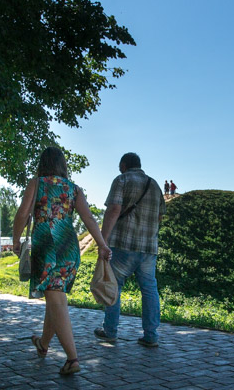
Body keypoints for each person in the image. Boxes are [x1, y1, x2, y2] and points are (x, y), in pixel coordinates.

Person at [13, 147, 111, 376]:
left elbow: (22, 214)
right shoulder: (73, 189)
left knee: (56, 299)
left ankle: (72, 358)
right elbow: (89, 218)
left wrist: (16, 240)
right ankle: (43, 344)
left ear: (43, 163)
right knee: (54, 296)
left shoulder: (36, 183)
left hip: (47, 245)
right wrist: (102, 244)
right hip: (69, 247)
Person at [95, 152, 166, 347]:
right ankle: (151, 335)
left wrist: (103, 241)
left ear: (124, 165)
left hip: (123, 245)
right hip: (148, 248)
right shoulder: (155, 185)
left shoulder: (122, 180)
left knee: (114, 286)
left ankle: (110, 331)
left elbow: (114, 209)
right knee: (150, 290)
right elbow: (160, 217)